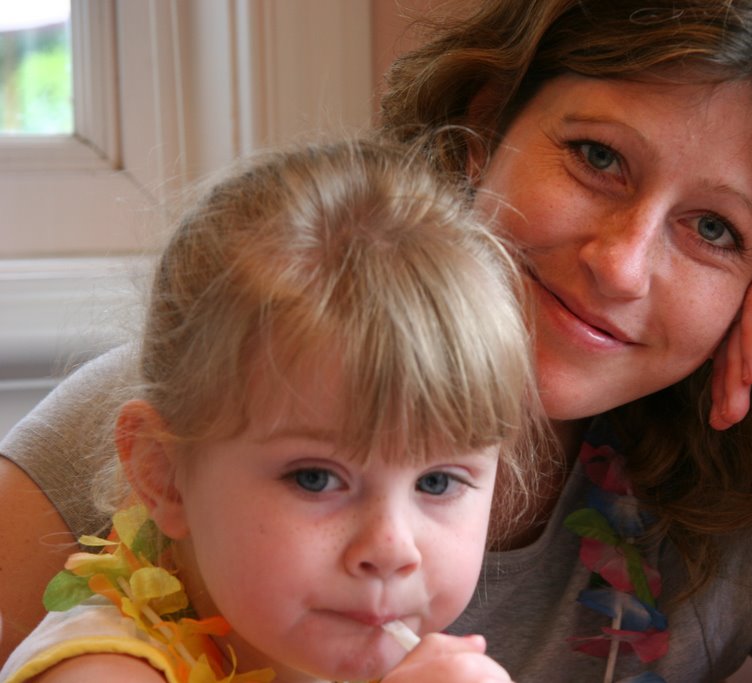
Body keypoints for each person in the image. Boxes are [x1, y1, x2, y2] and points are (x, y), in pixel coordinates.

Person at [3, 0, 752, 680]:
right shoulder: (228, 389)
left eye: (715, 230)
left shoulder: (742, 498)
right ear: (487, 125)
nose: (623, 263)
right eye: (596, 157)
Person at [0, 138, 540, 683]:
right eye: (316, 478)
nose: (391, 548)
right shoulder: (102, 673)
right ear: (163, 475)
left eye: (439, 483)